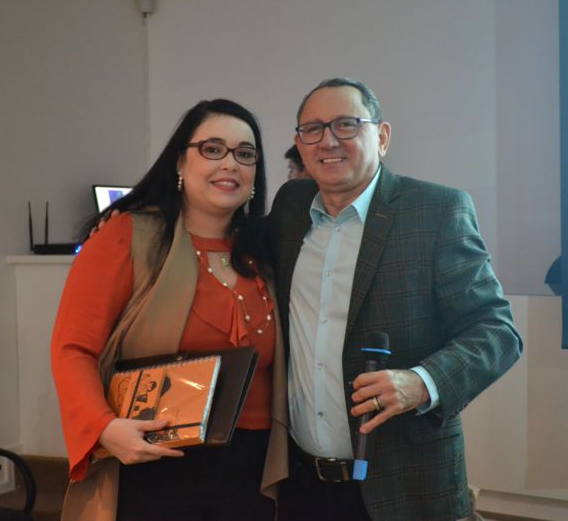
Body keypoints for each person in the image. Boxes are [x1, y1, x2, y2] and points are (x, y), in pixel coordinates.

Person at [265, 78, 522, 521]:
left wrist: (422, 382)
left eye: (346, 124)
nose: (328, 140)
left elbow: (497, 332)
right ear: (300, 143)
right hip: (302, 482)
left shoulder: (435, 211)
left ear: (382, 137)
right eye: (313, 129)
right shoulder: (290, 208)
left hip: (404, 484)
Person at [51, 99, 288, 521]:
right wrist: (104, 427)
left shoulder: (267, 251)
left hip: (252, 467)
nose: (230, 164)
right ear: (180, 161)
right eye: (212, 149)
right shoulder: (128, 237)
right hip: (155, 457)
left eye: (245, 153)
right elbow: (73, 348)